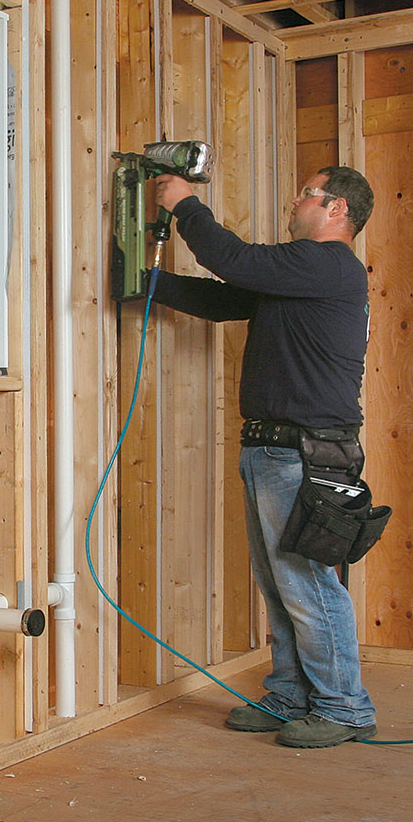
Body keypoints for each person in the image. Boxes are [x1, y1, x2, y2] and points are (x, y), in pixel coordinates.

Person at [153, 165, 377, 748]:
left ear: (337, 211)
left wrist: (186, 206)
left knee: (307, 583)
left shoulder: (328, 264)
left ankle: (345, 708)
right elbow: (229, 298)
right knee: (280, 586)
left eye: (307, 192)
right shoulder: (302, 276)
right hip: (273, 448)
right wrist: (146, 284)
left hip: (304, 453)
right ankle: (291, 695)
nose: (294, 199)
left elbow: (238, 262)